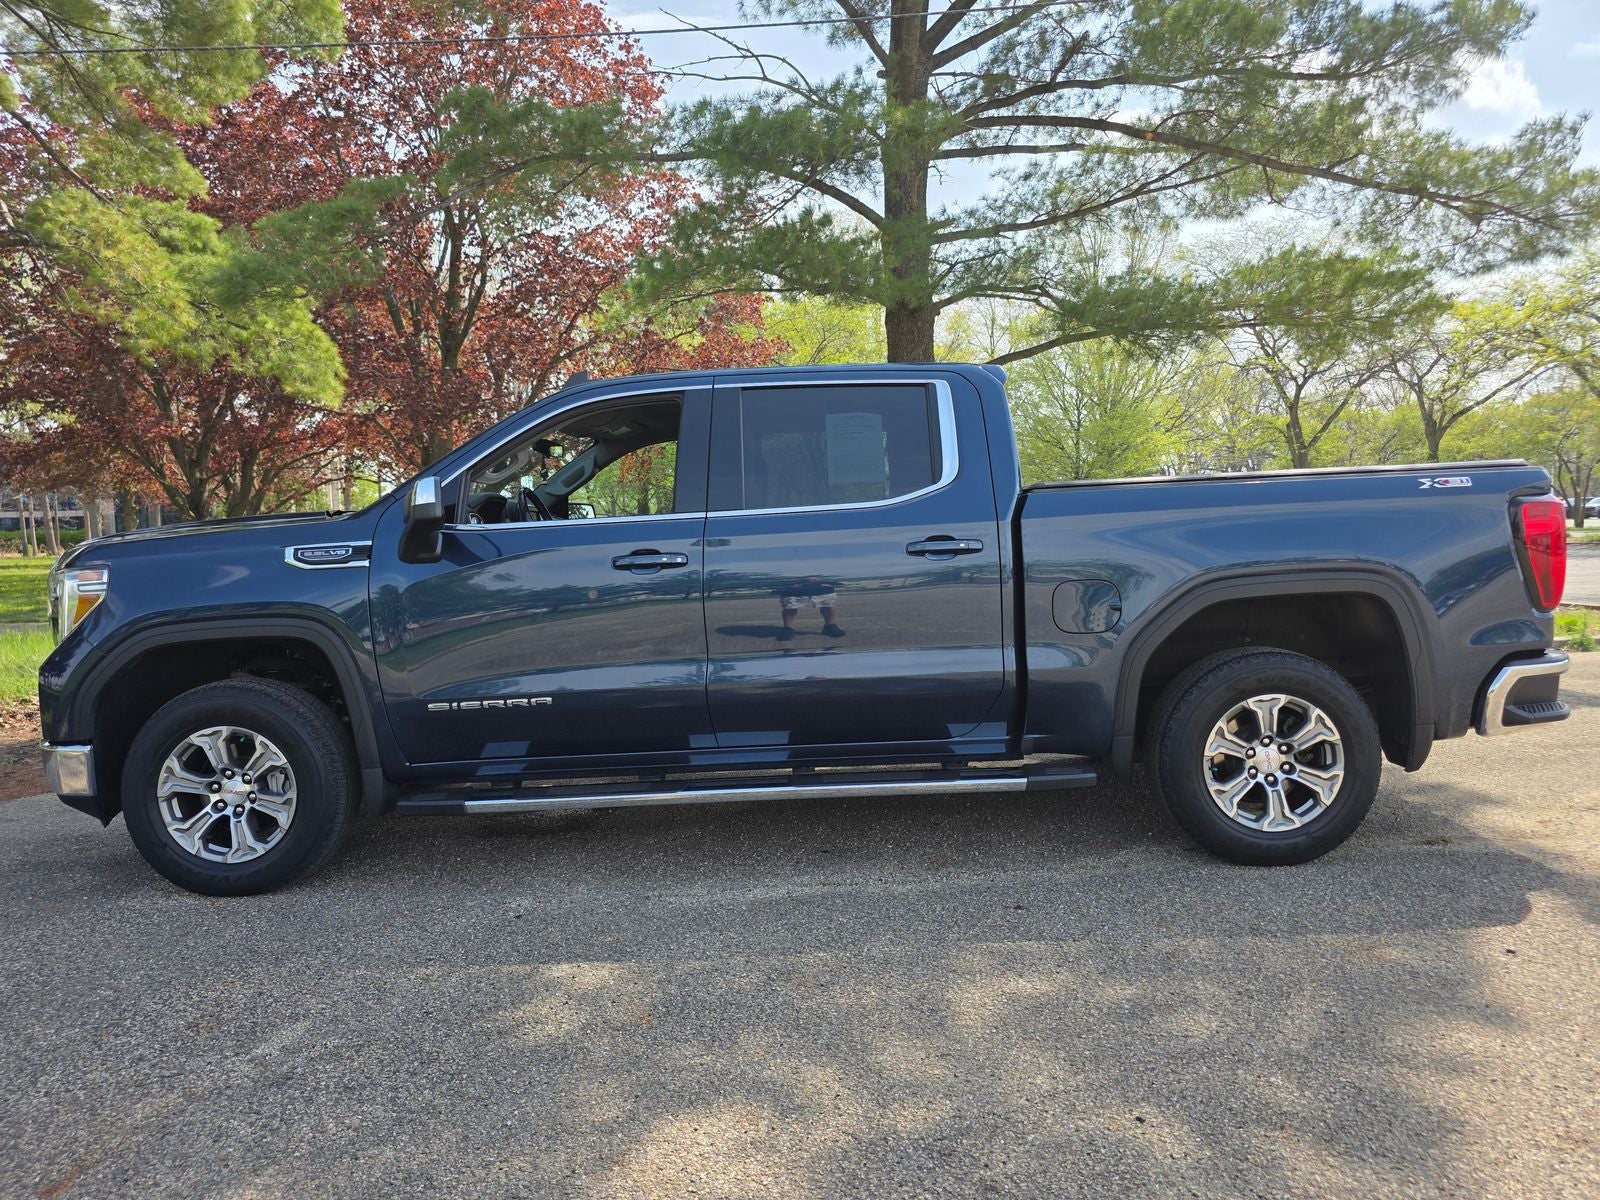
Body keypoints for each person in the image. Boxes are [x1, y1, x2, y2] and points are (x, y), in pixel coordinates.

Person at [776, 577, 844, 640]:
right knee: (790, 604)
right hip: (794, 580)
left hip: (822, 579)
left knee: (828, 602)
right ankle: (787, 628)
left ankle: (830, 626)